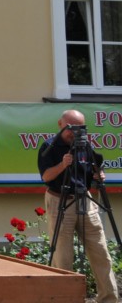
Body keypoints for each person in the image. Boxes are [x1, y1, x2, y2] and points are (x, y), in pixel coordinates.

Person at [38, 110, 118, 303]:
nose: (74, 132)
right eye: (70, 128)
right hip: (59, 200)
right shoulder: (49, 146)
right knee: (63, 256)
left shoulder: (85, 145)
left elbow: (94, 168)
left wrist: (99, 175)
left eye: (80, 128)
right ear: (60, 124)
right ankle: (66, 299)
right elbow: (46, 177)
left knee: (100, 251)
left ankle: (108, 298)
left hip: (85, 199)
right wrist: (62, 165)